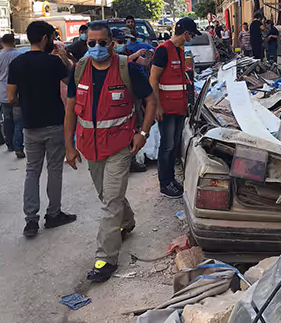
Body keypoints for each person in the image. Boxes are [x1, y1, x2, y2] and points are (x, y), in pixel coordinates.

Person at [64, 23, 157, 282]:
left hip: (120, 146)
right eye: (91, 43)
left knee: (111, 201)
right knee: (107, 194)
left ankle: (105, 258)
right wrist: (69, 146)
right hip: (89, 147)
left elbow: (151, 101)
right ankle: (127, 223)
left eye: (101, 43)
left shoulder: (129, 69)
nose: (96, 48)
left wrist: (143, 133)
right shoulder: (79, 71)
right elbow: (71, 109)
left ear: (112, 44)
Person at [7, 21, 75, 238]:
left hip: (30, 125)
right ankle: (53, 214)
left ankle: (31, 221)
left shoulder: (17, 63)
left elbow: (10, 98)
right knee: (55, 169)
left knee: (32, 171)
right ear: (46, 39)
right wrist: (64, 58)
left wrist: (25, 104)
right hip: (55, 123)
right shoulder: (53, 63)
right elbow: (71, 82)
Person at [150, 18, 200, 198]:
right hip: (167, 109)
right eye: (192, 34)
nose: (192, 38)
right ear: (186, 33)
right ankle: (165, 183)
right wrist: (157, 106)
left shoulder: (180, 51)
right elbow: (153, 79)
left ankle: (171, 180)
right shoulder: (164, 51)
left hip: (179, 108)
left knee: (174, 146)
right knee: (167, 146)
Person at [112, 28, 150, 174]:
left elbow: (143, 63)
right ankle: (121, 163)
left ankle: (131, 160)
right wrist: (137, 54)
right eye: (119, 41)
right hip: (118, 97)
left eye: (124, 41)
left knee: (134, 126)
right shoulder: (109, 57)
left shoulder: (126, 52)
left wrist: (149, 56)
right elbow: (123, 63)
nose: (123, 44)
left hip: (134, 95)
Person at [0, 33, 24, 157]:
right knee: (18, 121)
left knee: (7, 119)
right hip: (17, 92)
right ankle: (18, 146)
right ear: (14, 42)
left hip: (3, 93)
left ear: (1, 43)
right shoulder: (20, 55)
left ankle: (9, 144)